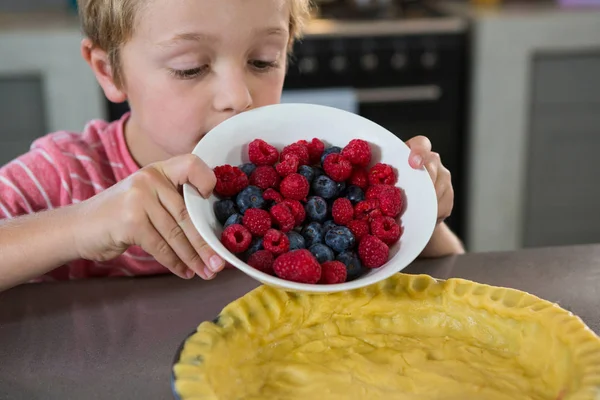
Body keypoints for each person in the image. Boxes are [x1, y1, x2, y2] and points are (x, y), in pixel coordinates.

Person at [0, 0, 464, 292]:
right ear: (108, 70)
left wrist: (422, 213)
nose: (237, 98)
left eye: (263, 61)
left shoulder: (302, 169)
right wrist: (79, 225)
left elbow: (450, 271)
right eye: (189, 67)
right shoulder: (65, 175)